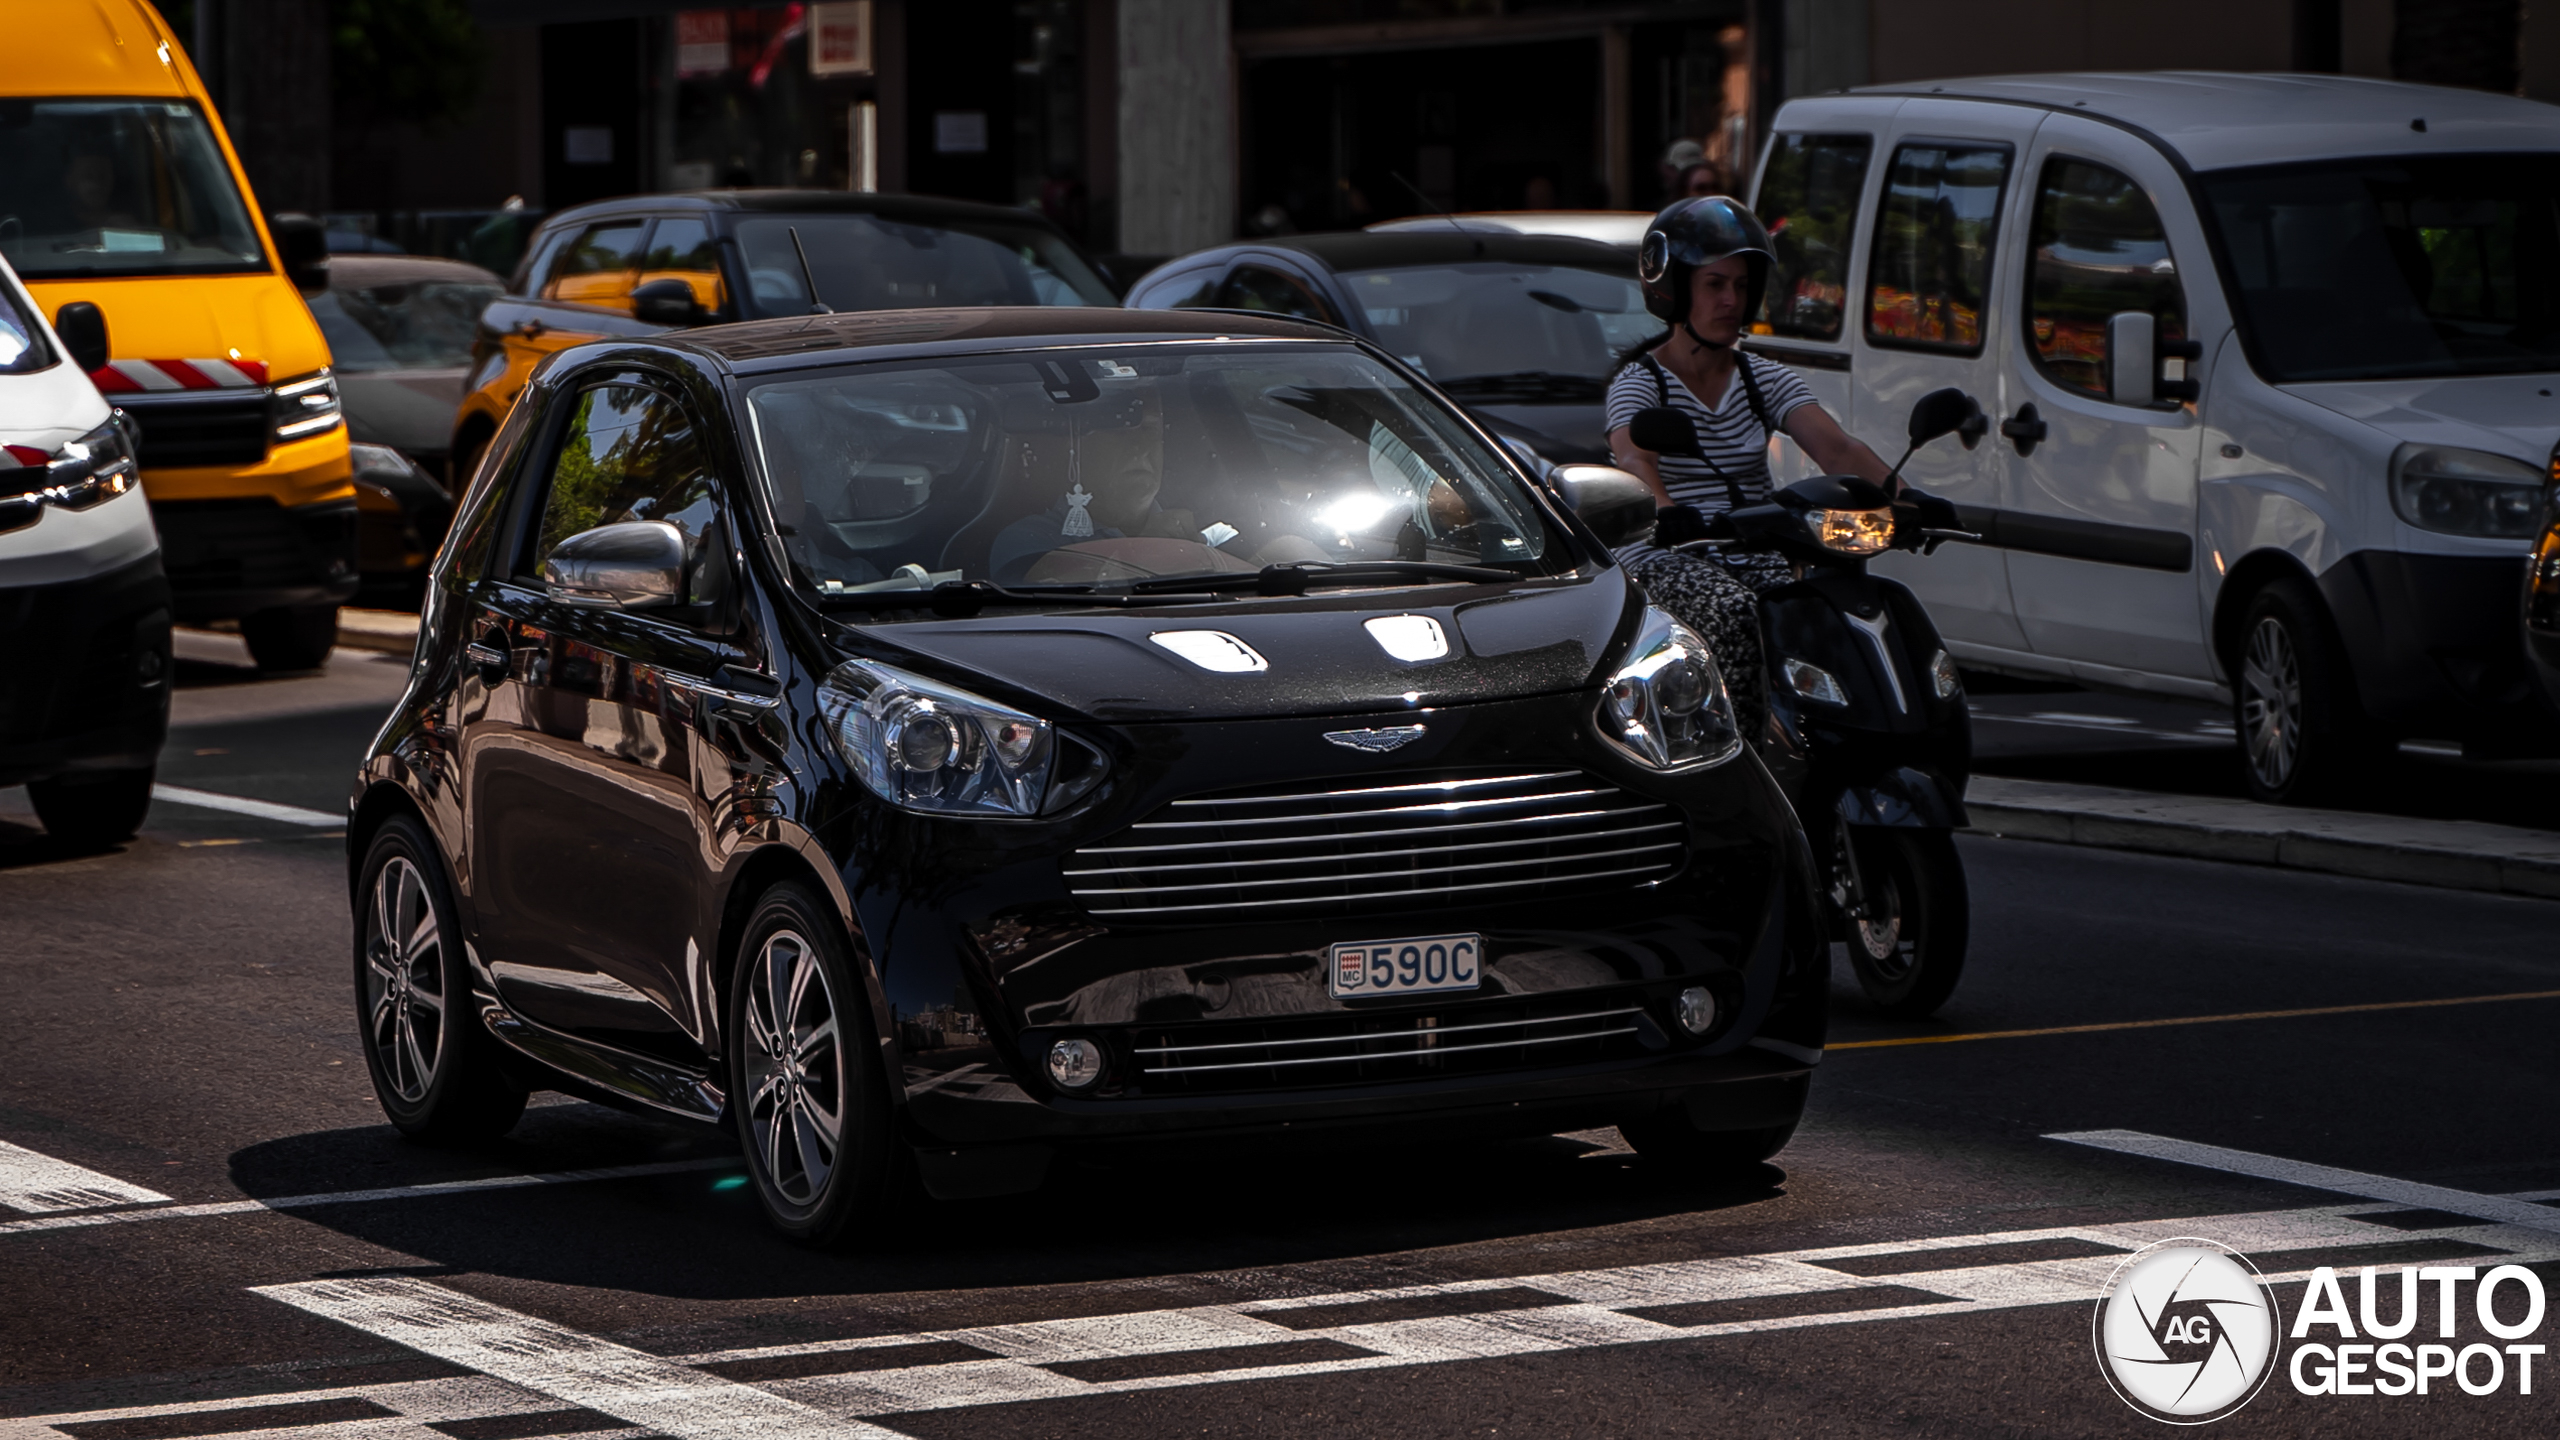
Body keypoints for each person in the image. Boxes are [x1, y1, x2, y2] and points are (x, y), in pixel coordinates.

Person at [1605, 196, 1897, 731]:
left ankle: (1817, 735)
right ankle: (1735, 750)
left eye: (1742, 286)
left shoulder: (1763, 378)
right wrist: (1666, 511)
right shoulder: (1640, 384)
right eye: (1715, 285)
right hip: (1666, 551)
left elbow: (1837, 449)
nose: (1731, 300)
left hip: (1750, 541)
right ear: (1675, 290)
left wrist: (1906, 496)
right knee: (1733, 609)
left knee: (1818, 603)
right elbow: (1633, 457)